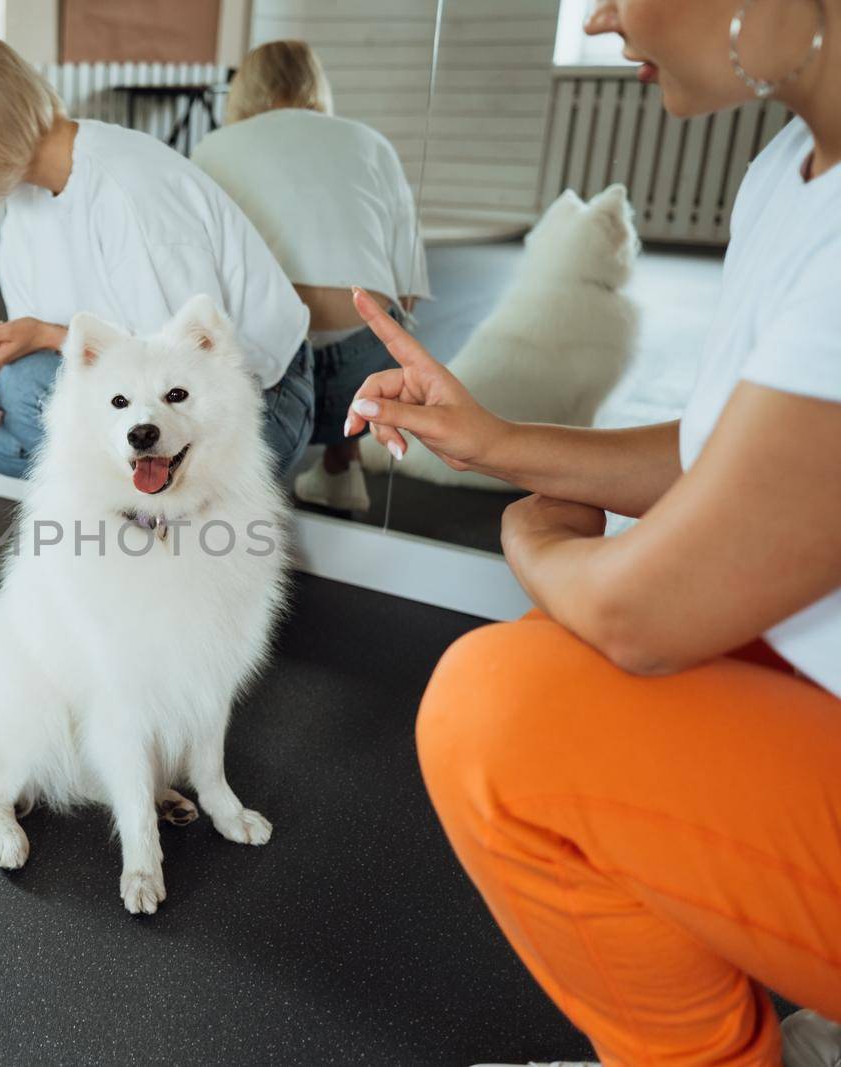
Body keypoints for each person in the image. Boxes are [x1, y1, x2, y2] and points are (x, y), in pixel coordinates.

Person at [343, 1, 841, 1063]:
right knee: (557, 665)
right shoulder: (788, 171)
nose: (604, 15)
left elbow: (636, 614)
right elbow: (743, 459)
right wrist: (494, 443)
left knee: (499, 709)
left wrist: (534, 536)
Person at [0, 25, 324, 480]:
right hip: (148, 396)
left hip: (259, 402)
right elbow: (49, 339)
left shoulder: (130, 188)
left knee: (25, 396)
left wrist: (42, 337)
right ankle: (142, 503)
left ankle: (151, 504)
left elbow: (180, 370)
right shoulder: (26, 201)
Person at [193, 39, 429, 513]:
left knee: (235, 317)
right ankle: (343, 467)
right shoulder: (369, 141)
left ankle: (245, 481)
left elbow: (197, 274)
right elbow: (408, 288)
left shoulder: (212, 147)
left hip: (269, 374)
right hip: (363, 379)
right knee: (381, 316)